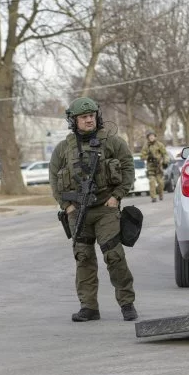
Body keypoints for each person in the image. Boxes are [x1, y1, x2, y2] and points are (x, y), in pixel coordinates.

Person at [48, 97, 138, 322]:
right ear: (74, 121)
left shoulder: (112, 141)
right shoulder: (63, 148)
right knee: (83, 258)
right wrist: (67, 206)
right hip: (78, 211)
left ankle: (127, 304)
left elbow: (128, 167)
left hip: (105, 208)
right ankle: (88, 307)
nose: (89, 120)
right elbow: (54, 178)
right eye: (83, 117)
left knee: (114, 255)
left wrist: (117, 196)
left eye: (91, 116)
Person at [140, 131, 169, 203]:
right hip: (150, 167)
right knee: (152, 182)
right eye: (150, 136)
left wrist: (165, 162)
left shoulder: (159, 144)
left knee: (161, 183)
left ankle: (161, 194)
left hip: (159, 166)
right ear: (148, 138)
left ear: (155, 137)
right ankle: (153, 197)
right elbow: (142, 156)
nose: (151, 137)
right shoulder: (146, 146)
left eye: (152, 136)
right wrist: (148, 157)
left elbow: (165, 154)